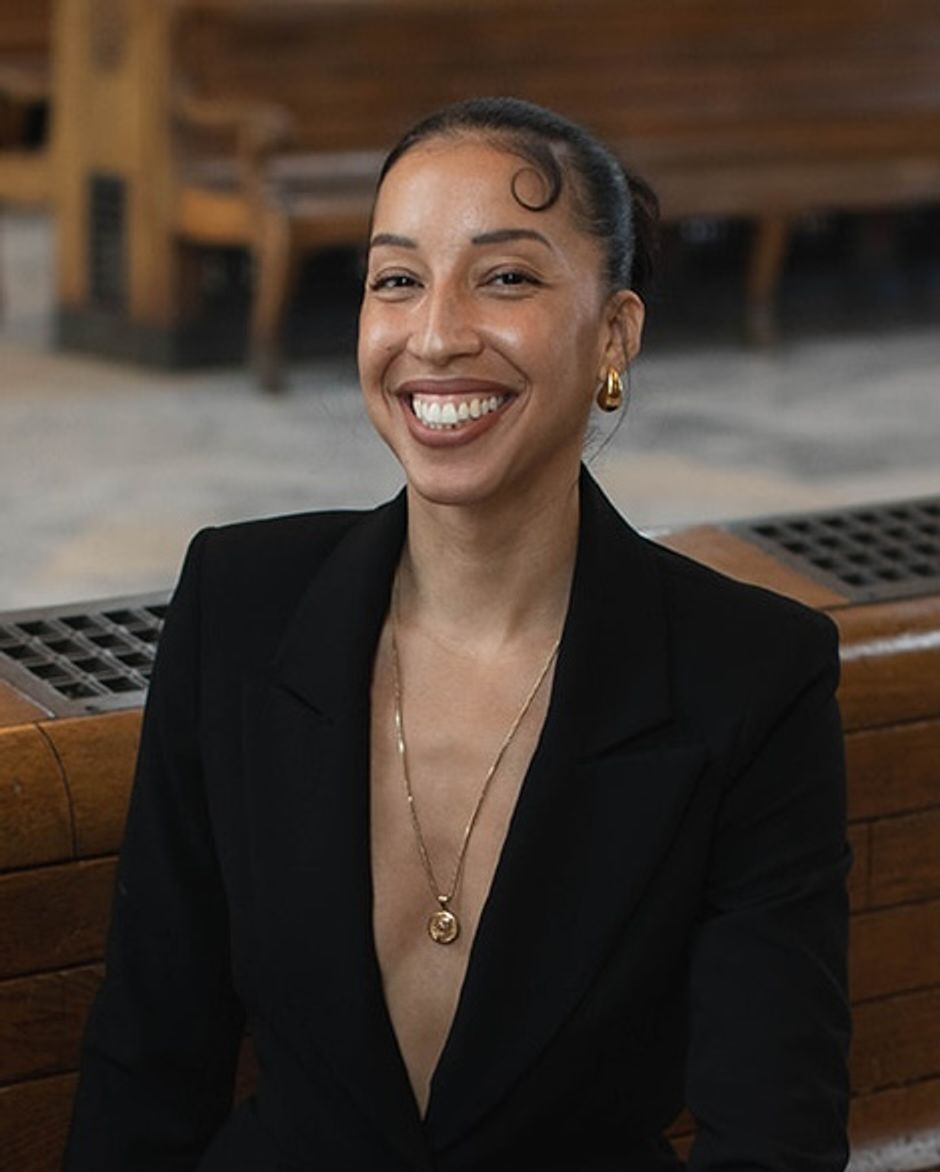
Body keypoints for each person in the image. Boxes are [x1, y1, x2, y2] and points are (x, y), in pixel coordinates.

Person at [64, 97, 851, 1171]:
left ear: (614, 333)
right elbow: (150, 1060)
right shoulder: (238, 606)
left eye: (506, 276)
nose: (434, 335)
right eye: (396, 279)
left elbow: (771, 1137)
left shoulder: (750, 675)